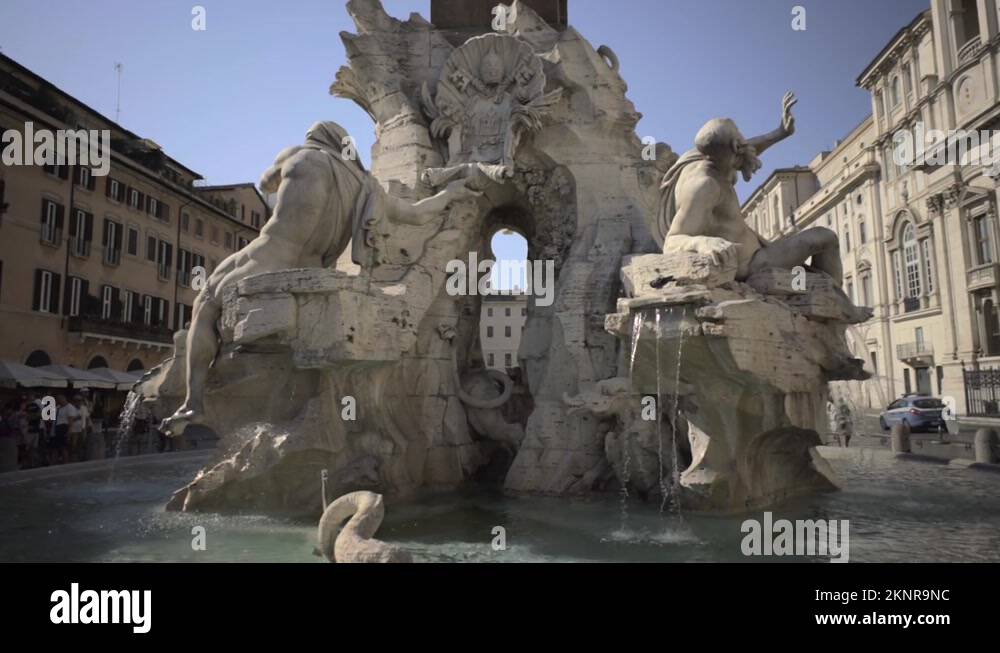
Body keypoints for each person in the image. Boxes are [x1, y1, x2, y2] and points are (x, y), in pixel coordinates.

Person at [161, 121, 481, 437]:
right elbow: (417, 213)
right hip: (313, 268)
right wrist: (450, 194)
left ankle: (194, 400)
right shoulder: (367, 187)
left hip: (269, 257)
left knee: (204, 304)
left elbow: (264, 183)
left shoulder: (300, 155)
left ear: (316, 138)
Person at [655, 94, 872, 323]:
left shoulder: (709, 157)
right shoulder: (704, 186)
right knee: (825, 237)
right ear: (734, 147)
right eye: (740, 137)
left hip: (758, 249)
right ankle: (836, 311)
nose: (746, 141)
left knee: (816, 247)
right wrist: (701, 242)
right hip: (755, 263)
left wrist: (779, 133)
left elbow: (748, 150)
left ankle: (828, 300)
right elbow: (673, 240)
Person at [50, 394, 76, 465]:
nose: (59, 400)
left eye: (60, 398)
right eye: (58, 399)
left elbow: (71, 421)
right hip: (56, 428)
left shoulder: (69, 407)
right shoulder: (57, 407)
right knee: (54, 448)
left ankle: (66, 462)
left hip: (63, 428)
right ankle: (53, 462)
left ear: (64, 398)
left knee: (63, 447)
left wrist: (68, 433)